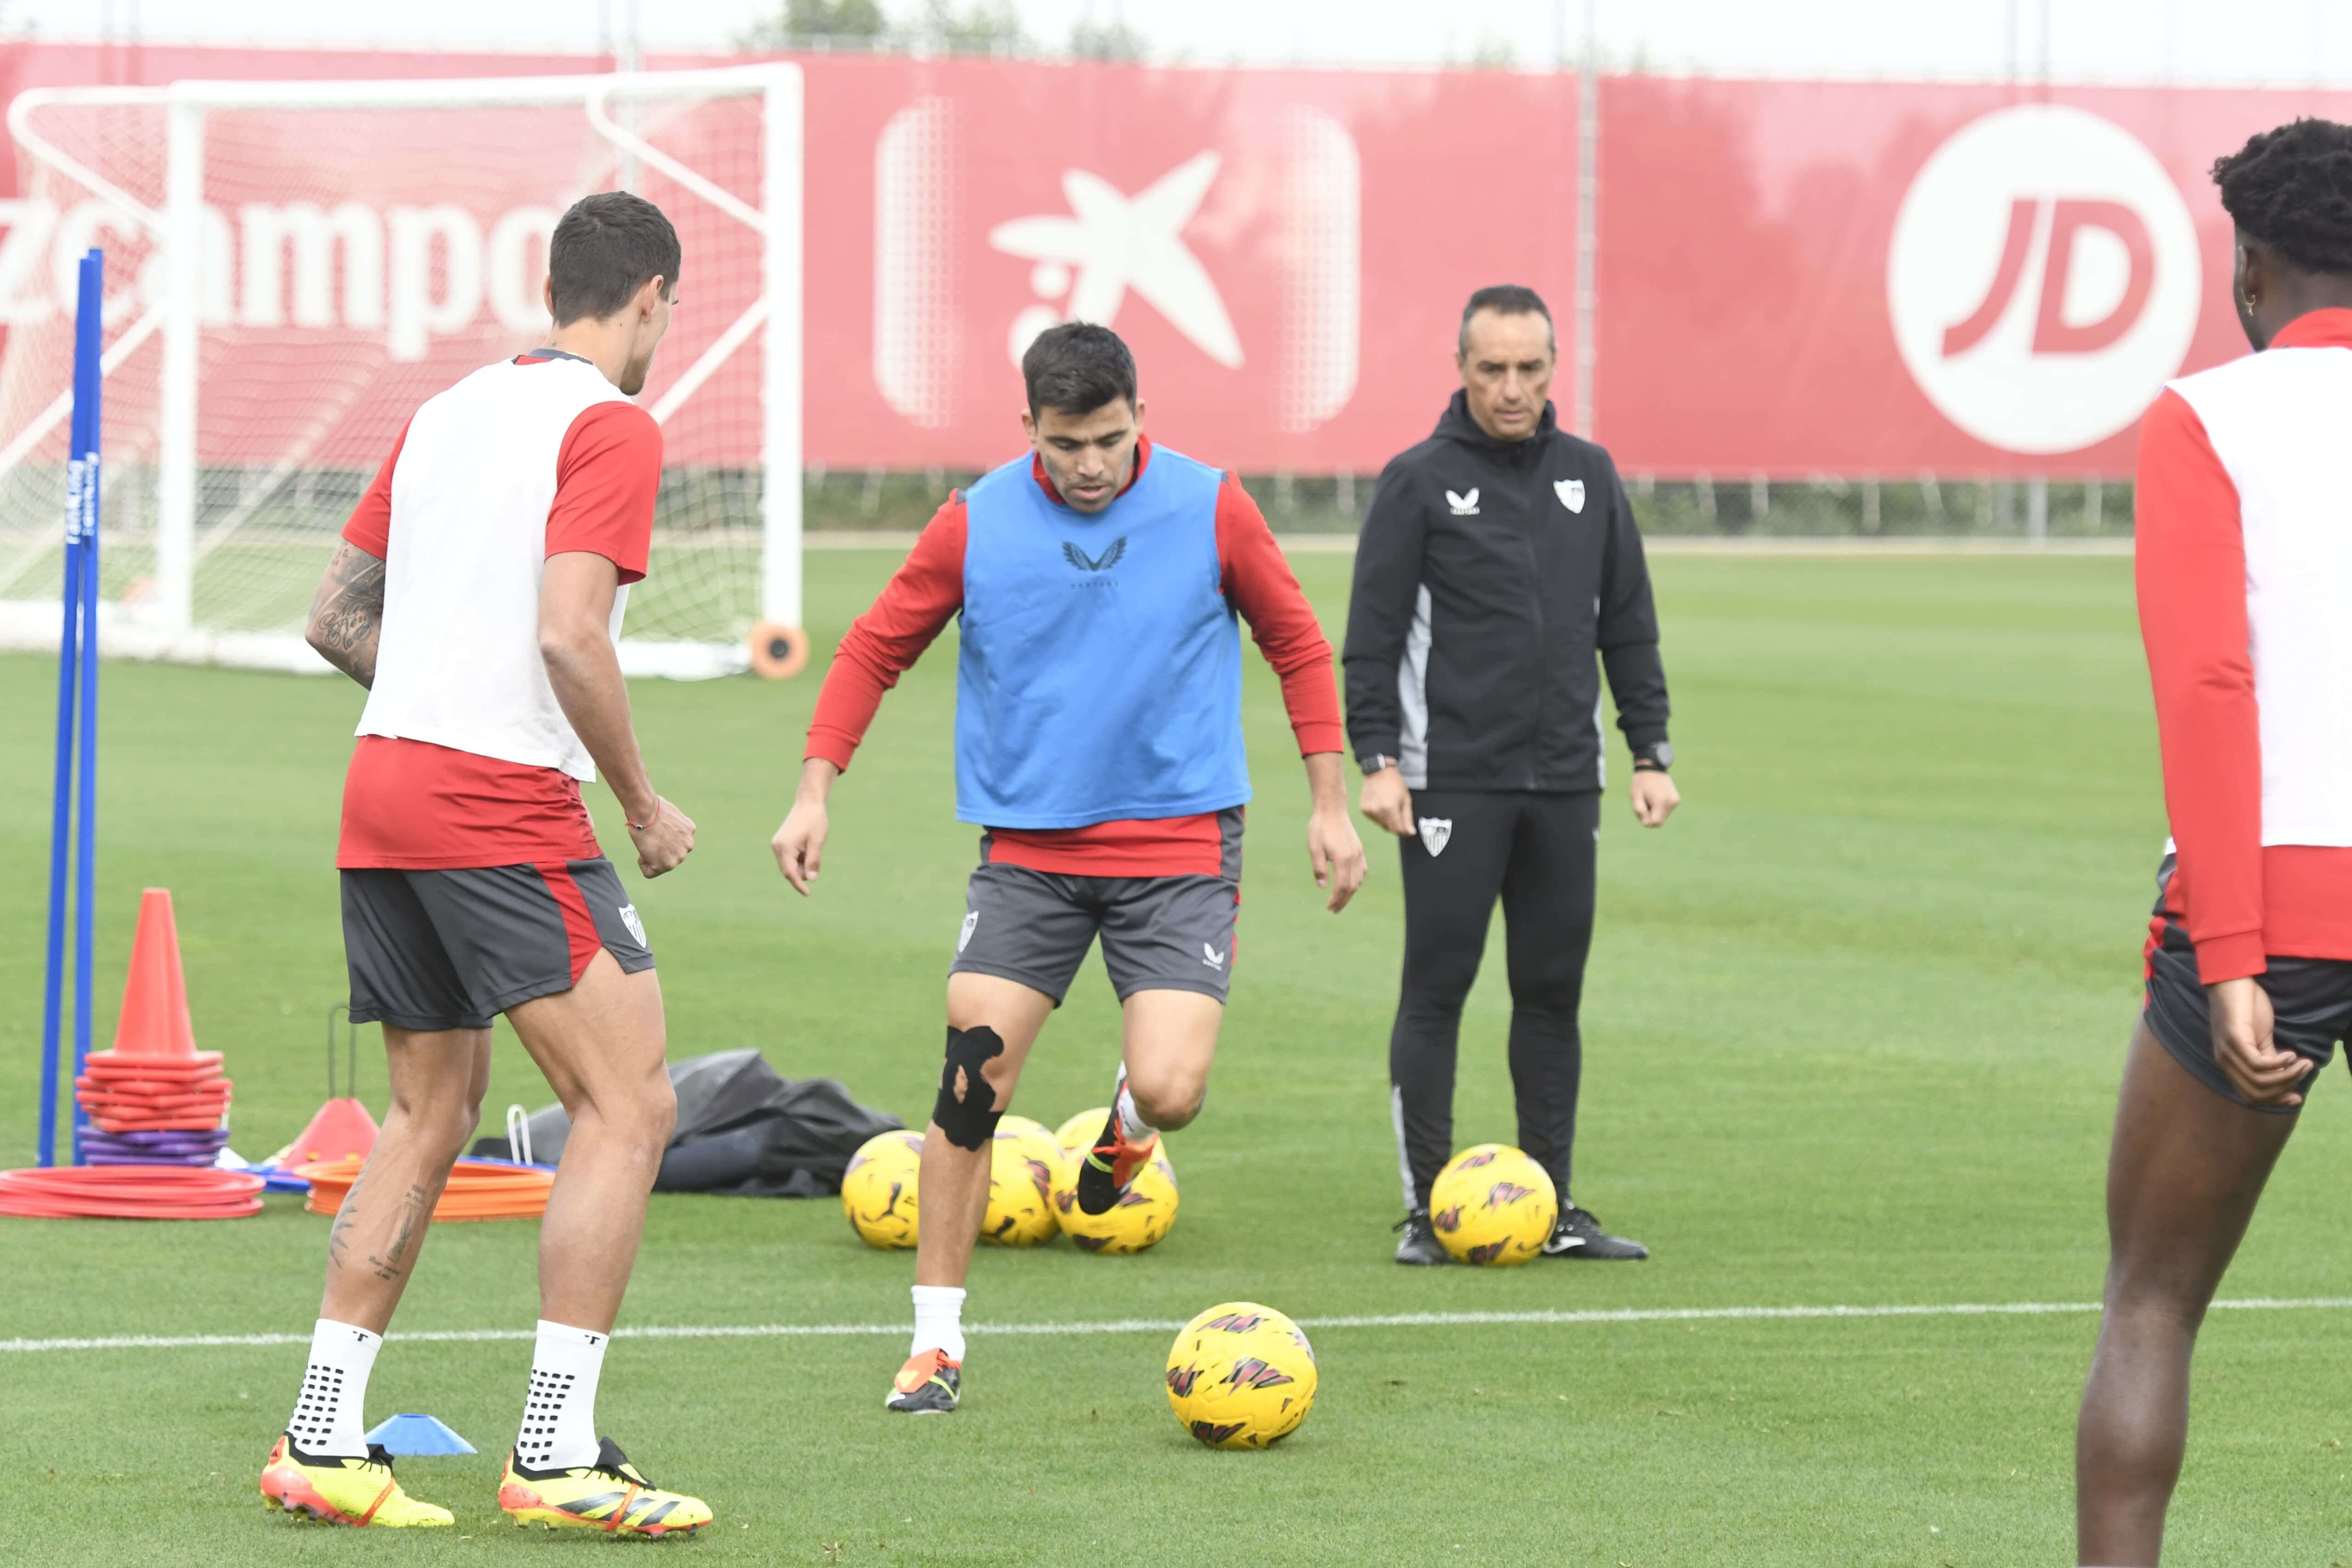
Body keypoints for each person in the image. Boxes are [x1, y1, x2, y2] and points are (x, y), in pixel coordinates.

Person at [770, 321, 1366, 1415]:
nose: (1089, 466)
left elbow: (1298, 643)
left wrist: (1329, 805)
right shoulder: (976, 520)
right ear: (1028, 430)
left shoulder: (1212, 505)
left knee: (1175, 1093)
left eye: (1108, 439)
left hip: (1180, 846)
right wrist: (815, 789)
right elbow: (871, 647)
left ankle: (1126, 1132)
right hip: (1029, 859)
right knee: (969, 1080)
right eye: (1064, 444)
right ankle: (935, 1346)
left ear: (1141, 417)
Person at [259, 191, 710, 1536]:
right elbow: (575, 636)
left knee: (431, 1110)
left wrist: (434, 690)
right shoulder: (613, 422)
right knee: (630, 1104)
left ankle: (323, 1436)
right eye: (666, 314)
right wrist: (640, 801)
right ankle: (558, 1451)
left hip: (382, 780)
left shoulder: (444, 411)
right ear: (647, 299)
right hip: (496, 799)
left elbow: (337, 614)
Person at [2076, 119, 2352, 1567]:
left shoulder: (2205, 417)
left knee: (2154, 1298)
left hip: (2277, 912)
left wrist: (2234, 952)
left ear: (2250, 269)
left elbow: (2207, 688)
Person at [1342, 284, 1678, 1268]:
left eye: (1530, 369)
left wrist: (1648, 750)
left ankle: (1553, 1204)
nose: (1511, 389)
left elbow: (1626, 622)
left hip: (1566, 781)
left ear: (1551, 369)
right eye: (1491, 369)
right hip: (1451, 780)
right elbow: (1372, 638)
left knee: (1550, 993)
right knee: (1437, 987)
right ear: (1460, 369)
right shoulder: (1417, 482)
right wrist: (1377, 761)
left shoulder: (1589, 475)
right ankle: (1427, 1211)